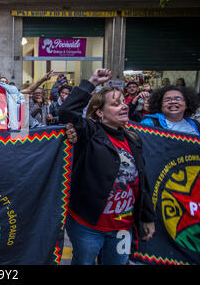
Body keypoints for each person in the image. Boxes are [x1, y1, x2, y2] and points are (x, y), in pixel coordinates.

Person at [59, 68, 155, 265]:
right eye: (115, 104)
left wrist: (146, 217)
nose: (124, 107)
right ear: (100, 112)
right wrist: (91, 82)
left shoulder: (133, 139)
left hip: (123, 227)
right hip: (88, 225)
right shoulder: (90, 132)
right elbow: (67, 112)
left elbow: (141, 182)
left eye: (124, 102)